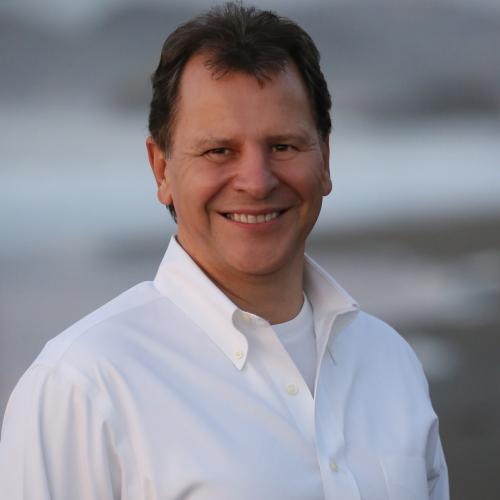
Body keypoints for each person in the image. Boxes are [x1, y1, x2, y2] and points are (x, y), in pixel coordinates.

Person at [0, 3, 449, 499]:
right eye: (219, 150)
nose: (256, 182)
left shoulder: (391, 361)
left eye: (283, 146)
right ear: (161, 169)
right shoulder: (81, 387)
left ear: (324, 160)